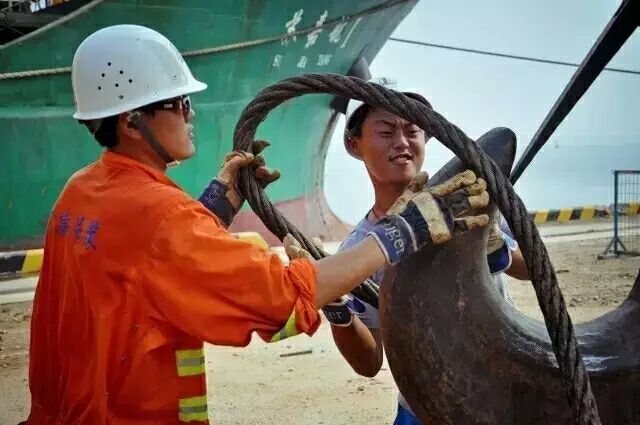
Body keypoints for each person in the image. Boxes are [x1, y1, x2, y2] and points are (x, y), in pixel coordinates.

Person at [24, 26, 492, 425]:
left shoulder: (81, 191)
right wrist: (405, 230)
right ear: (131, 122)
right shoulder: (161, 216)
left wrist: (217, 206)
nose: (191, 113)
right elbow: (280, 297)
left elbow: (145, 271)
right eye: (179, 103)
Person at [325, 89, 530, 425]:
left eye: (412, 130)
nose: (401, 142)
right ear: (354, 144)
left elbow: (532, 270)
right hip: (426, 408)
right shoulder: (358, 251)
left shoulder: (469, 201)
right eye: (386, 132)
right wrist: (336, 308)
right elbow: (368, 363)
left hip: (504, 394)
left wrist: (496, 246)